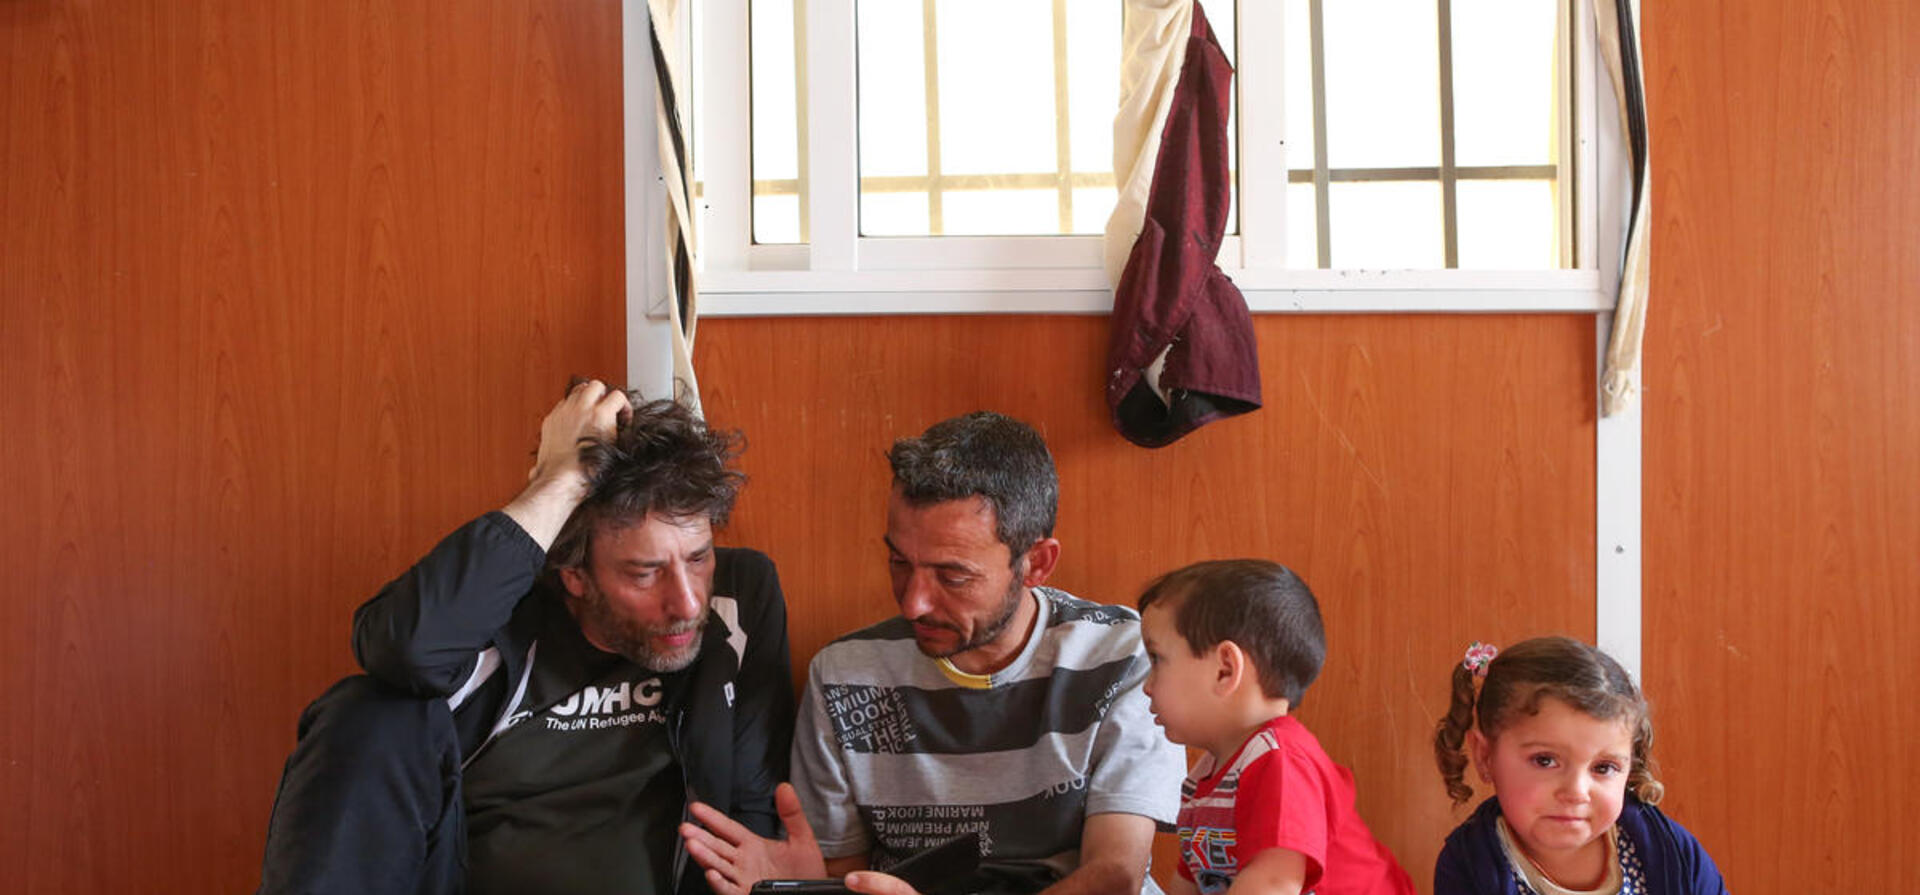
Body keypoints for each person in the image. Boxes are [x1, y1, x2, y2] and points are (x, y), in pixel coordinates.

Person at [257, 381, 795, 895]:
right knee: (367, 710)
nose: (687, 603)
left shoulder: (740, 595)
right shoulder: (500, 611)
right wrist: (560, 481)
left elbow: (751, 815)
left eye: (698, 558)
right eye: (643, 573)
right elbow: (404, 650)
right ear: (574, 574)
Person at [681, 411, 1186, 895]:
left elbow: (1114, 876)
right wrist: (818, 884)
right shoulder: (845, 677)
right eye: (899, 562)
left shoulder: (1122, 656)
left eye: (953, 575)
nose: (913, 602)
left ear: (1036, 563)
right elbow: (845, 873)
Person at [1135, 560, 1415, 895]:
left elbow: (1273, 884)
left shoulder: (1280, 761)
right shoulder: (1206, 777)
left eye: (1156, 660)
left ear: (1225, 670)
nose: (1146, 686)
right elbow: (1190, 884)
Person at [1432, 636, 1728, 895]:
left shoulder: (1672, 852)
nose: (1576, 792)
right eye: (1545, 761)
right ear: (1485, 757)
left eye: (1603, 768)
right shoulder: (1469, 865)